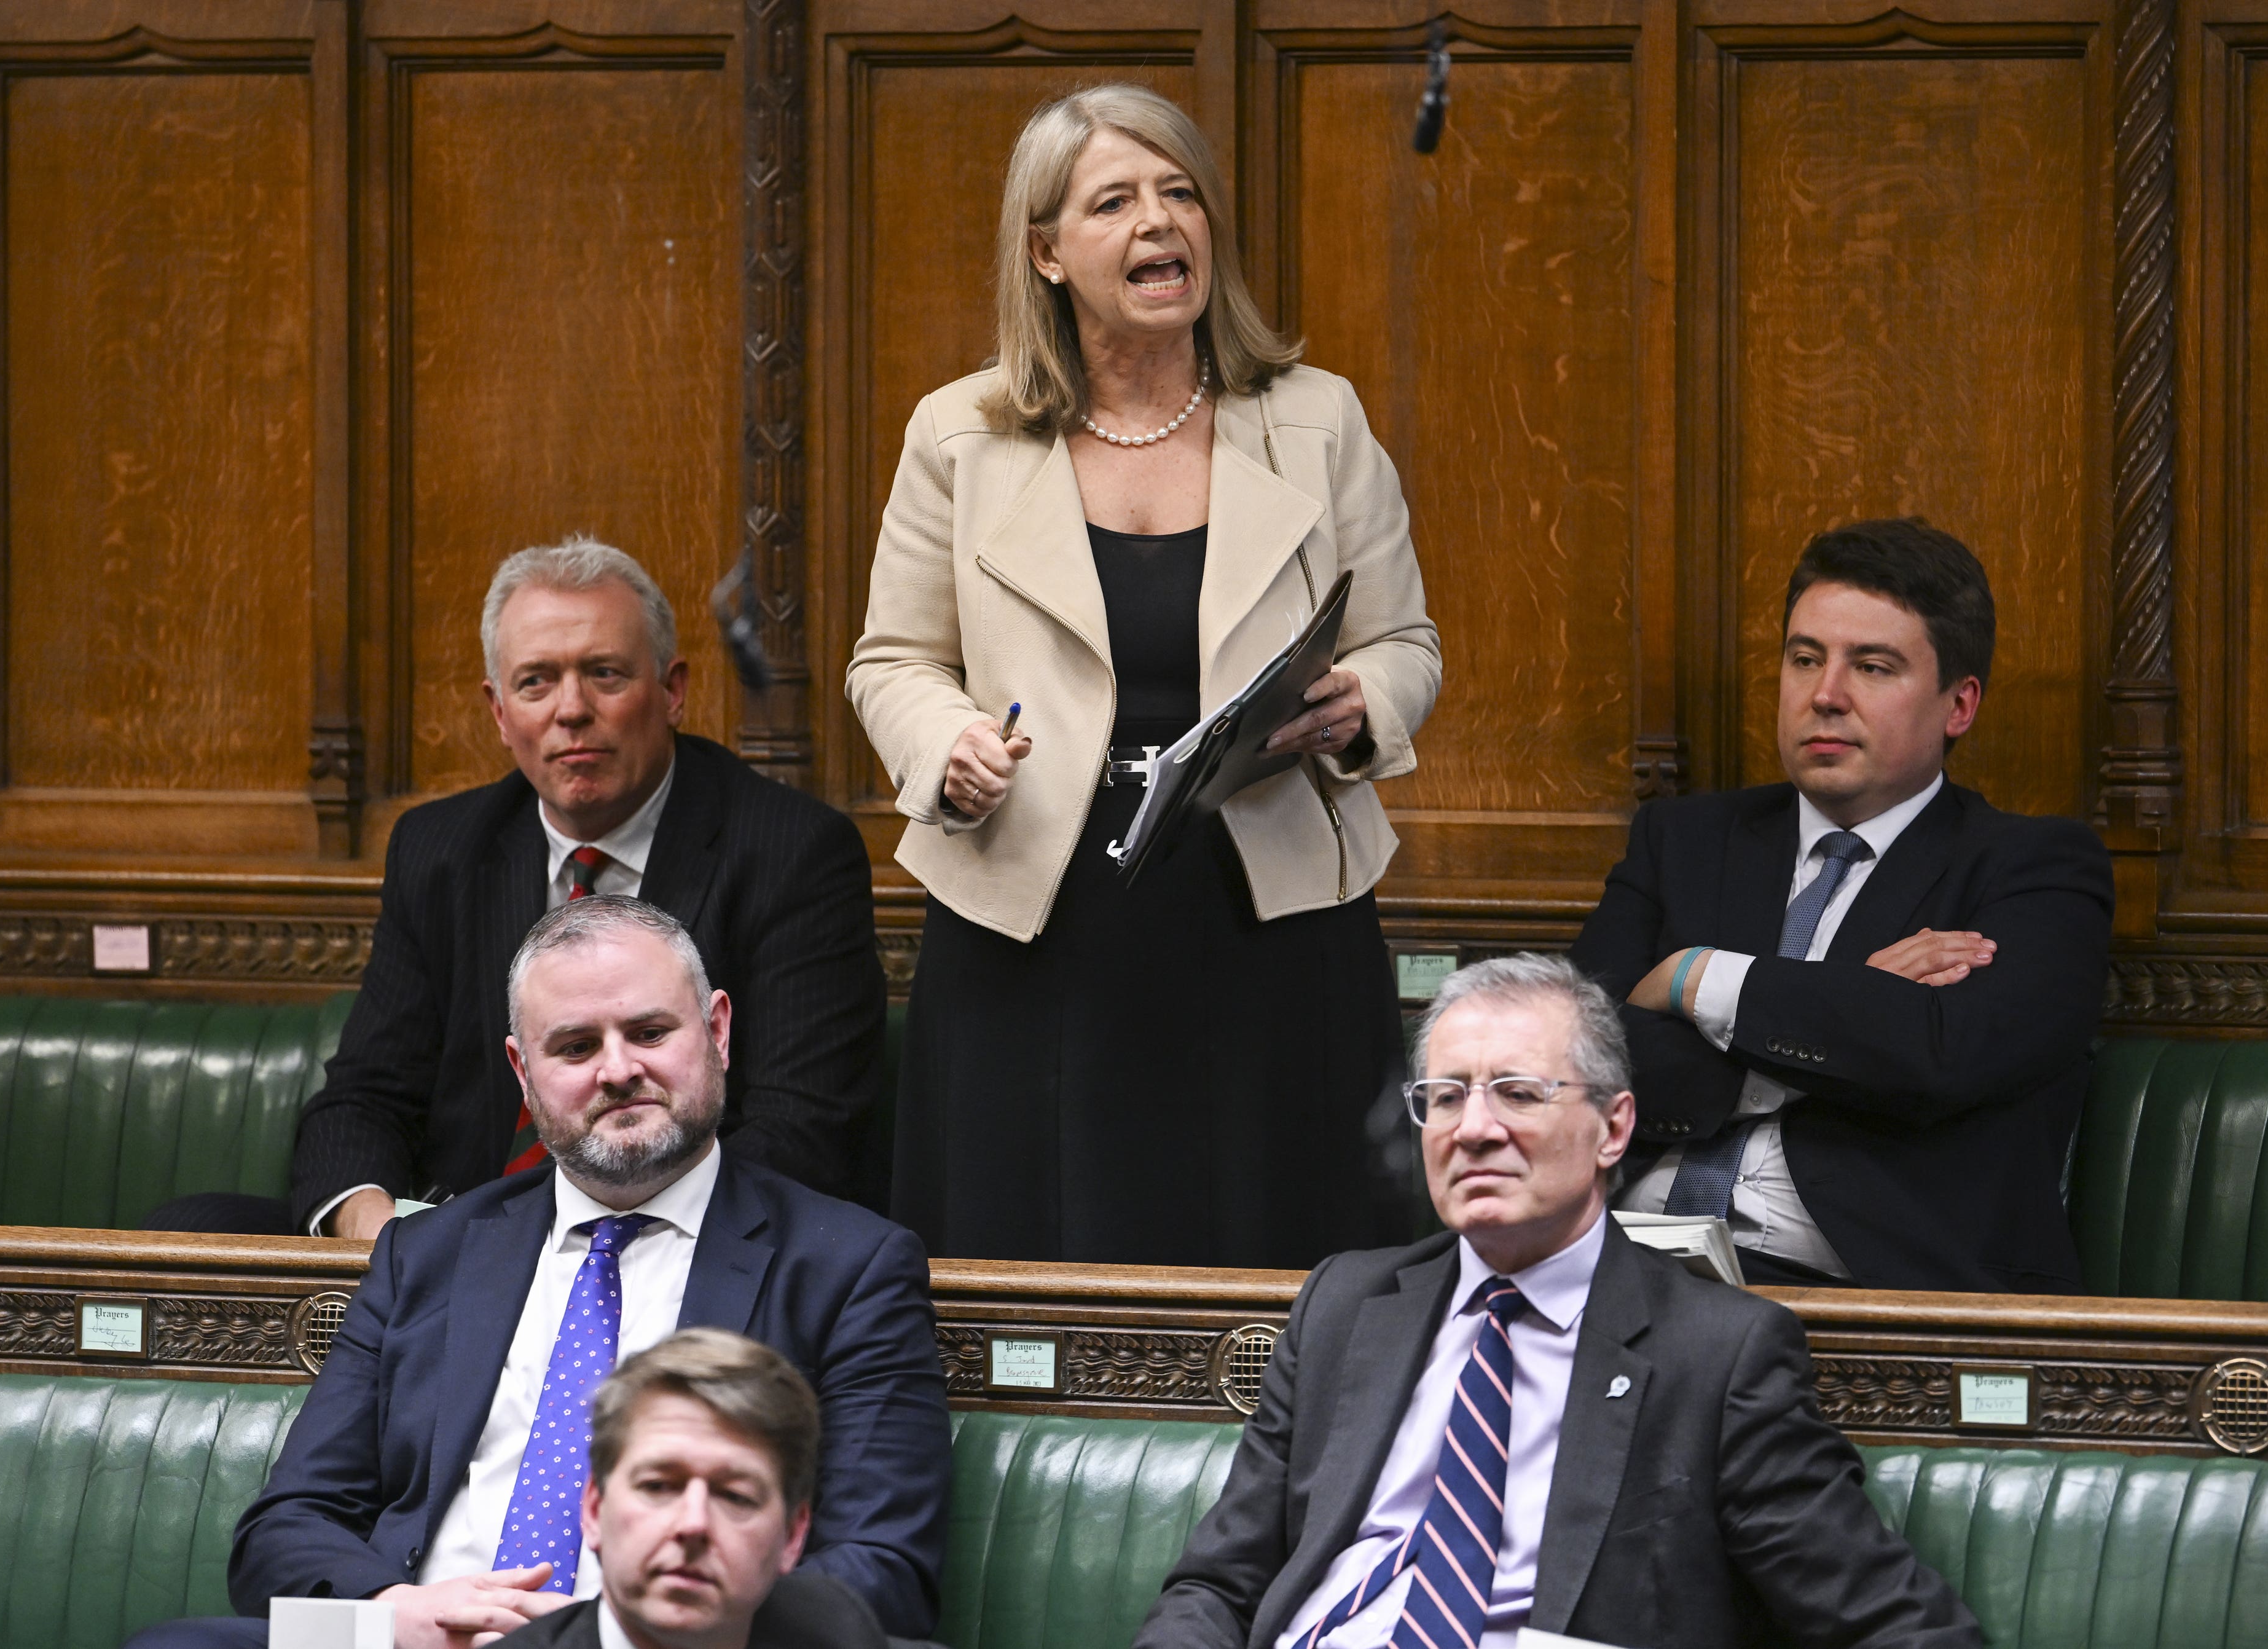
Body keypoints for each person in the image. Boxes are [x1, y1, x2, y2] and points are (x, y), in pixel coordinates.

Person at [846, 84, 1442, 1268]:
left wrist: (1361, 702)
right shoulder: (957, 432)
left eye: (1178, 193)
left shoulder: (1313, 418)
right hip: (1034, 906)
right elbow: (894, 661)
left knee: (1282, 1242)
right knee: (1041, 1246)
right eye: (1113, 201)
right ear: (1047, 252)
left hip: (1267, 902)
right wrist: (945, 747)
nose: (1157, 222)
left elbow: (1403, 643)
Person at [124, 896, 949, 1648]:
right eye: (577, 1045)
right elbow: (283, 1529)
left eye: (651, 1031)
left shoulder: (846, 1266)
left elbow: (883, 1572)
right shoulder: (430, 1252)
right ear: (523, 1072)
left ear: (719, 1030)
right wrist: (389, 1611)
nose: (618, 1067)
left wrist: (617, 1631)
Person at [1134, 954, 1979, 1649]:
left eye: (1519, 1091)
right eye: (1448, 1095)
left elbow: (1886, 1619)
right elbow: (1217, 1582)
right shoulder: (1345, 1306)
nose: (1474, 1127)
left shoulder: (1718, 1353)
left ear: (1614, 1127)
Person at [148, 537, 884, 1239]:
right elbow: (366, 1095)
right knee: (187, 1228)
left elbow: (799, 1134)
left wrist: (567, 1248)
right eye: (537, 681)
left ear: (672, 691)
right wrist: (379, 1235)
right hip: (457, 1238)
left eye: (605, 673)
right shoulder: (442, 850)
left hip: (680, 1239)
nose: (570, 710)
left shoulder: (789, 852)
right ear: (500, 713)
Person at [1569, 519, 2113, 1293]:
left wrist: (1696, 978)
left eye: (1873, 666)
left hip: (1863, 1290)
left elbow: (1939, 1056)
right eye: (1804, 658)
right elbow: (1571, 1055)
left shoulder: (2034, 866)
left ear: (1958, 705)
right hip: (1618, 1261)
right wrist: (1854, 1002)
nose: (1825, 695)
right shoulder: (1683, 840)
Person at [484, 1328, 888, 1649]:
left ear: (793, 1536)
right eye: (658, 1486)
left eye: (735, 1495)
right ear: (593, 1510)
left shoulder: (842, 1630)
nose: (693, 1524)